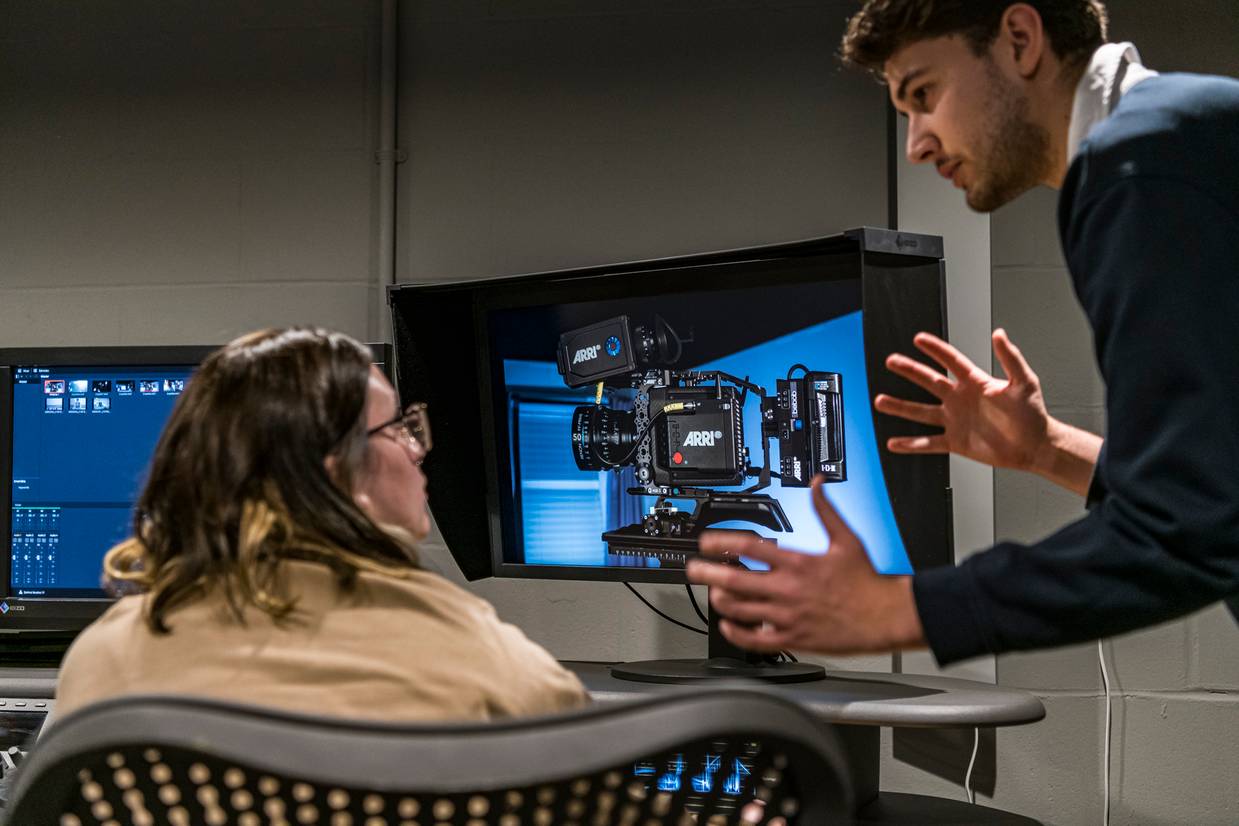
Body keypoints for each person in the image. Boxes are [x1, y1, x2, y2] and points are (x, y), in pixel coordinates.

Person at [688, 0, 1239, 665]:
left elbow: (1187, 526)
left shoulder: (1138, 164)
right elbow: (1216, 493)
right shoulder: (1175, 139)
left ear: (1019, 38)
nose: (916, 145)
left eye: (924, 95)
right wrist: (1047, 451)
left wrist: (896, 609)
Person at [57, 328, 588, 720]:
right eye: (398, 428)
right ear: (338, 474)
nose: (417, 449)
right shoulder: (476, 654)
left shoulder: (105, 661)